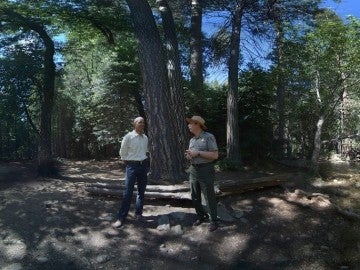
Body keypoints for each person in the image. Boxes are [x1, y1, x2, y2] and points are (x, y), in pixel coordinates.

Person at [112, 116, 148, 228]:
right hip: (131, 166)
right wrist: (129, 163)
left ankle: (138, 214)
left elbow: (145, 151)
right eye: (139, 122)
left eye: (143, 122)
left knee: (141, 192)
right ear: (134, 124)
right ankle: (121, 218)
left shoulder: (145, 137)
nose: (142, 124)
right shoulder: (129, 136)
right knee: (128, 192)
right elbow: (122, 152)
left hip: (143, 166)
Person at [185, 115, 219, 232]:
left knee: (209, 196)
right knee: (194, 195)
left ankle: (214, 220)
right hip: (193, 169)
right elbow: (192, 155)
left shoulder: (209, 137)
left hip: (206, 169)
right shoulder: (192, 140)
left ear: (197, 124)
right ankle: (201, 216)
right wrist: (190, 155)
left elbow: (215, 155)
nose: (189, 125)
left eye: (191, 123)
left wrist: (198, 153)